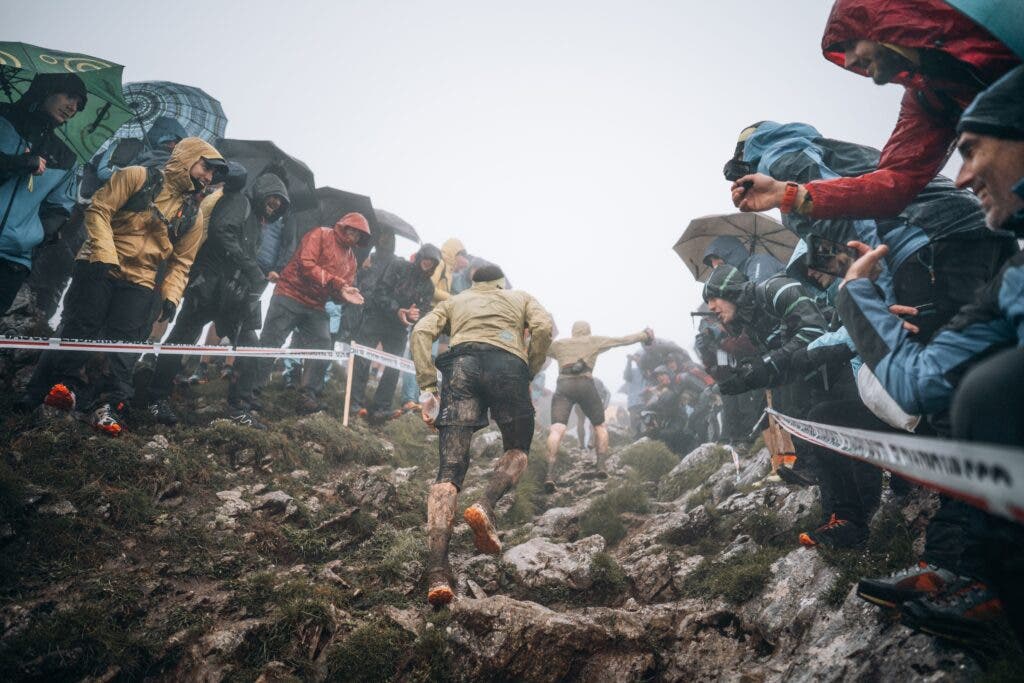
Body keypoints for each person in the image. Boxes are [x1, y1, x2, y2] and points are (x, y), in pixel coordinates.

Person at [835, 65, 1024, 643]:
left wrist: (854, 293)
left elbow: (924, 386)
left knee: (990, 395)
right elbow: (921, 382)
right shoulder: (1012, 273)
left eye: (970, 151)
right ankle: (972, 580)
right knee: (980, 396)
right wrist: (860, 294)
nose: (961, 178)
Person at [730, 0, 1019, 220]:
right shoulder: (927, 98)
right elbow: (895, 181)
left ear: (888, 23)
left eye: (853, 42)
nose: (849, 60)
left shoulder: (1002, 29)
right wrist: (789, 194)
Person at [724, 120, 1016, 337]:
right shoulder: (818, 154)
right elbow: (840, 256)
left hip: (930, 238)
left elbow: (846, 220)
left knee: (950, 366)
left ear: (747, 160)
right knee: (1000, 345)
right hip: (973, 225)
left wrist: (883, 302)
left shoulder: (781, 158)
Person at [20, 137, 226, 433]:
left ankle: (108, 406)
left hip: (142, 280)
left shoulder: (191, 216)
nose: (208, 178)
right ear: (188, 156)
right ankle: (52, 391)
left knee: (124, 347)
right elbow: (99, 209)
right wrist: (104, 254)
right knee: (79, 329)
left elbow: (182, 261)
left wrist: (171, 295)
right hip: (98, 264)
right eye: (206, 168)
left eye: (213, 176)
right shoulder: (135, 176)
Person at [411, 264, 552, 606]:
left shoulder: (455, 301)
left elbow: (420, 332)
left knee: (449, 471)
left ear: (473, 283)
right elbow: (544, 327)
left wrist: (428, 385)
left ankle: (438, 572)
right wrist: (529, 370)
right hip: (509, 368)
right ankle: (486, 504)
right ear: (501, 283)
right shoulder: (519, 297)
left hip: (461, 369)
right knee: (518, 449)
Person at [144, 165, 291, 426]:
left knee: (250, 349)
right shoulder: (238, 202)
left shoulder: (257, 222)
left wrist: (251, 280)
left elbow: (238, 251)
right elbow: (221, 232)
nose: (276, 204)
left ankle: (239, 408)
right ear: (262, 192)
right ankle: (156, 398)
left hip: (232, 296)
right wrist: (250, 267)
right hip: (208, 288)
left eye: (280, 202)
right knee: (181, 339)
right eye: (273, 197)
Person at [234, 212, 368, 413]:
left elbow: (341, 289)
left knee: (323, 344)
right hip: (290, 293)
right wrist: (338, 285)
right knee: (271, 342)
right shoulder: (320, 234)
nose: (354, 236)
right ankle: (249, 391)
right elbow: (306, 264)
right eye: (352, 230)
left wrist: (344, 295)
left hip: (316, 304)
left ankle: (308, 395)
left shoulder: (351, 260)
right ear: (343, 226)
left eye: (359, 234)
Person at [0, 73, 83, 314]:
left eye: (78, 104)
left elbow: (58, 209)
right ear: (47, 89)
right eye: (68, 96)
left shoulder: (66, 157)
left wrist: (33, 239)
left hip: (13, 262)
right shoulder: (3, 119)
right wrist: (17, 163)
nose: (72, 107)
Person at [543, 321, 653, 491]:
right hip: (586, 384)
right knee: (599, 426)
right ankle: (601, 466)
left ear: (573, 332)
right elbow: (622, 340)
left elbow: (538, 347)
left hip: (563, 385)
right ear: (588, 331)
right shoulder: (593, 341)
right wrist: (644, 335)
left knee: (556, 429)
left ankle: (549, 474)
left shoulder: (559, 344)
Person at [349, 240, 439, 420]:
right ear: (420, 256)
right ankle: (354, 404)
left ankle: (381, 408)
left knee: (394, 365)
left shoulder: (428, 286)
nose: (428, 262)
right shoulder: (399, 266)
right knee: (362, 358)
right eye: (426, 258)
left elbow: (423, 310)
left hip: (399, 328)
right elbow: (380, 291)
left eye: (432, 261)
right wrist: (397, 309)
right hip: (377, 317)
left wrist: (415, 316)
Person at [702, 235, 783, 284]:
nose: (714, 264)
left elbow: (758, 292)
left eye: (716, 257)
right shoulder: (740, 276)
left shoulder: (760, 261)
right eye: (710, 262)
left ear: (731, 252)